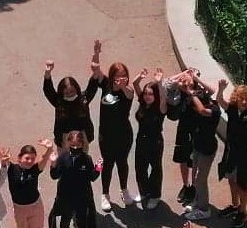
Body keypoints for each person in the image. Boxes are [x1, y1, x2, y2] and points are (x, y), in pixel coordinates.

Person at [92, 42, 136, 212]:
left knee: (122, 163)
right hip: (106, 135)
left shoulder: (128, 91)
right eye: (118, 75)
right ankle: (105, 194)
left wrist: (123, 85)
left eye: (124, 75)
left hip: (124, 134)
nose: (121, 78)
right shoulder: (106, 86)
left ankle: (124, 190)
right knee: (108, 164)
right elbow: (95, 69)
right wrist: (96, 53)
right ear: (111, 76)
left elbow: (130, 94)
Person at [216, 77, 247, 227]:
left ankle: (243, 212)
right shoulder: (232, 109)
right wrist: (220, 89)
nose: (244, 102)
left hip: (243, 155)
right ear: (237, 98)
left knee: (242, 186)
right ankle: (234, 206)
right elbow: (220, 101)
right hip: (230, 152)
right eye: (242, 98)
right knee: (231, 180)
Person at [49, 129, 101, 228]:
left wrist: (98, 168)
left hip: (82, 195)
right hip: (65, 195)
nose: (75, 147)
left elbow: (92, 177)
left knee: (81, 216)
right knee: (65, 218)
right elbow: (54, 175)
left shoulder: (86, 159)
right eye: (73, 145)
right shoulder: (63, 158)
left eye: (78, 145)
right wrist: (53, 164)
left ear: (83, 145)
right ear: (67, 144)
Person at [42, 56, 98, 150]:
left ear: (76, 88)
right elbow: (48, 90)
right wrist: (48, 73)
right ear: (62, 92)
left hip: (82, 138)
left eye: (72, 91)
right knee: (65, 163)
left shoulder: (83, 99)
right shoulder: (58, 101)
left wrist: (95, 71)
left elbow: (92, 87)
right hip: (64, 138)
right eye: (67, 93)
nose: (70, 94)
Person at [183, 86, 221, 221]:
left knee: (201, 179)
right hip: (198, 145)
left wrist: (191, 94)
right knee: (194, 175)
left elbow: (202, 110)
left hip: (207, 149)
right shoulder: (203, 103)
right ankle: (197, 201)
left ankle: (204, 209)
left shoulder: (214, 110)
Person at [132, 68, 167, 210]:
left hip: (155, 141)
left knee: (156, 169)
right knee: (140, 168)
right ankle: (144, 191)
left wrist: (159, 83)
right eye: (146, 93)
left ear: (156, 95)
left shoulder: (160, 108)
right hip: (141, 140)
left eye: (151, 94)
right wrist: (140, 77)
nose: (147, 96)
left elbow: (163, 98)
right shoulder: (143, 103)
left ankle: (155, 195)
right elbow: (135, 85)